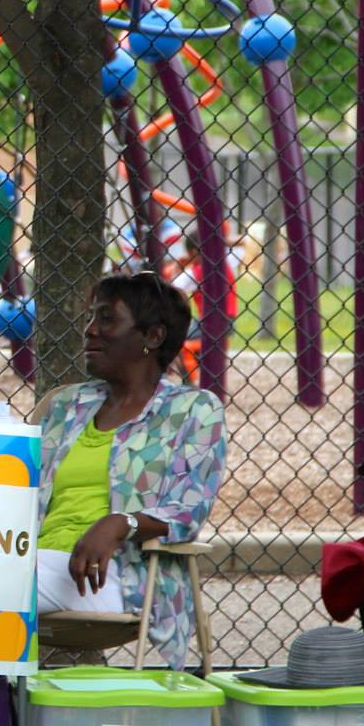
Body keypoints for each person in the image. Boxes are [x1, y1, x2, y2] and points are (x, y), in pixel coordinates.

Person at [35, 271, 227, 666]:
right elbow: (17, 485)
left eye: (106, 318)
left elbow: (188, 511)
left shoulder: (193, 411)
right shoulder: (67, 406)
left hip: (117, 576)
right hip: (35, 563)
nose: (90, 330)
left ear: (153, 336)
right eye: (91, 317)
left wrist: (120, 524)